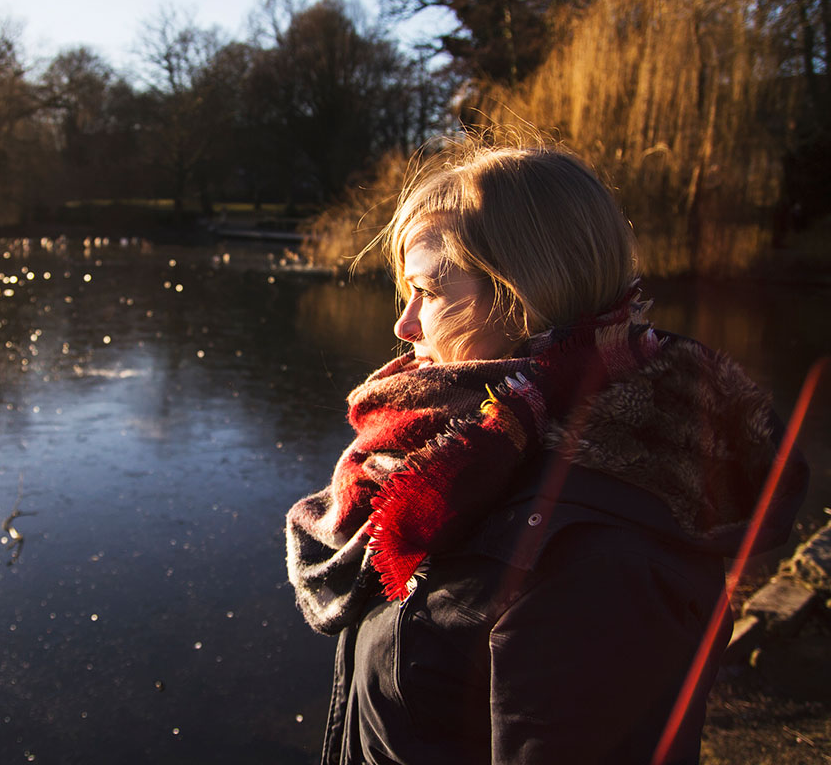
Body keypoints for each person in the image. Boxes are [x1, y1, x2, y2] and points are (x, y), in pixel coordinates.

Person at [285, 144, 808, 765]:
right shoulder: (459, 453)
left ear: (525, 291)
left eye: (427, 290)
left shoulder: (593, 551)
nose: (405, 326)